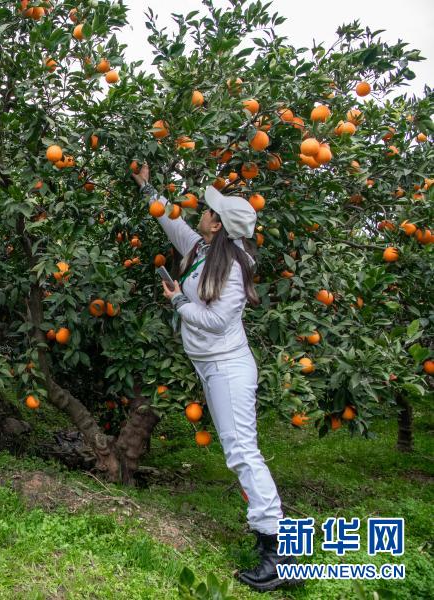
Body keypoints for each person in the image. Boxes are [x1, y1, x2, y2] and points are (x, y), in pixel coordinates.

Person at [132, 164, 300, 592]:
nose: (201, 213)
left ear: (219, 225)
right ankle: (275, 535)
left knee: (242, 451)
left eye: (209, 211)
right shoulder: (205, 251)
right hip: (212, 366)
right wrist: (147, 186)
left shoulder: (233, 269)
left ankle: (277, 550)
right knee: (238, 449)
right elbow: (172, 223)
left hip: (227, 368)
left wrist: (175, 302)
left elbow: (214, 320)